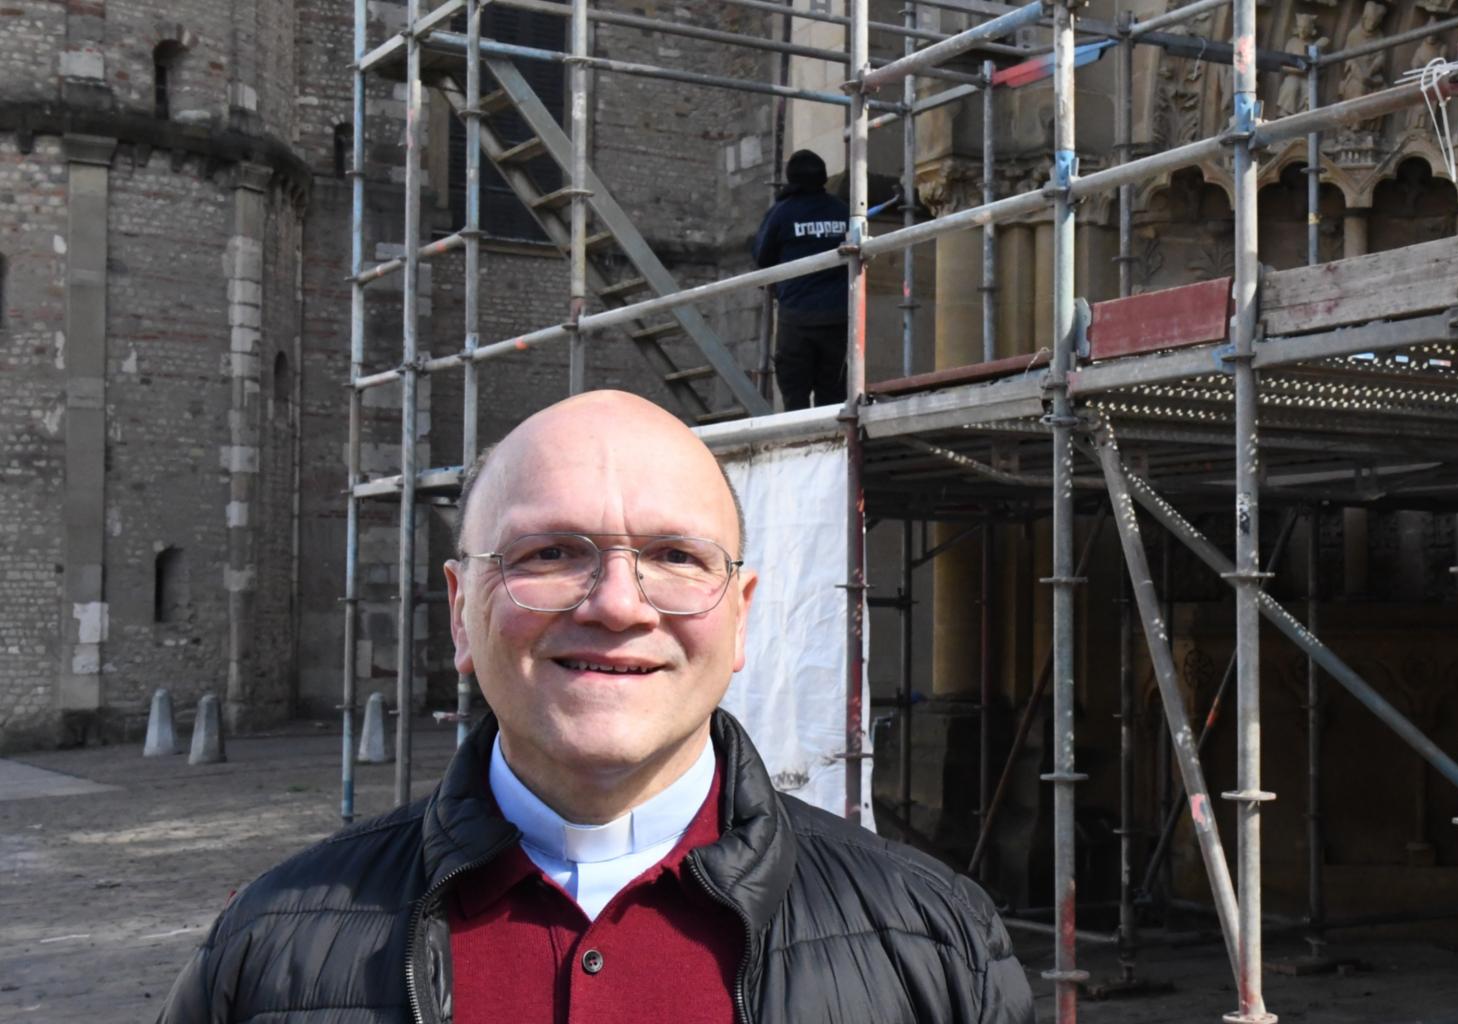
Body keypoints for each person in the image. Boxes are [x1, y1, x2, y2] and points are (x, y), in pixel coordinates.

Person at [157, 390, 1035, 1024]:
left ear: (740, 619)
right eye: (550, 551)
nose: (617, 604)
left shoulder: (934, 939)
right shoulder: (270, 948)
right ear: (462, 610)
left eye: (676, 556)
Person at [751, 150, 851, 411]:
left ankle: (800, 446)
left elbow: (763, 257)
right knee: (833, 395)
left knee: (795, 394)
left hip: (797, 316)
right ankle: (836, 445)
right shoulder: (843, 211)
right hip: (838, 317)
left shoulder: (782, 213)